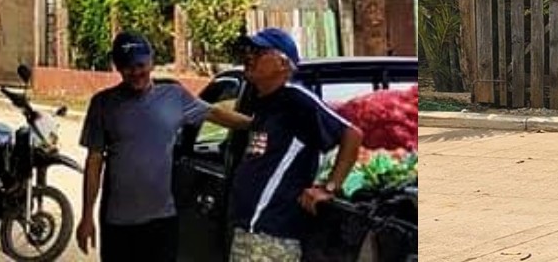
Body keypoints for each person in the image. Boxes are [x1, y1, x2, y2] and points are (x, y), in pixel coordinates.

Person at [76, 31, 252, 261]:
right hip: (117, 223)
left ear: (152, 60)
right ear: (117, 67)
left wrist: (257, 124)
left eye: (140, 64)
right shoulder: (103, 104)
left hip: (162, 221)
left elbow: (215, 113)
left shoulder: (174, 96)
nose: (135, 72)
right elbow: (94, 162)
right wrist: (86, 216)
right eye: (127, 66)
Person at [224, 28, 363, 262]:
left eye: (258, 52)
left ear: (281, 62)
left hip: (273, 237)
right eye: (248, 51)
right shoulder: (266, 104)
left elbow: (352, 134)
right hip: (251, 233)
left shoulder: (295, 99)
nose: (249, 57)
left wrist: (329, 187)